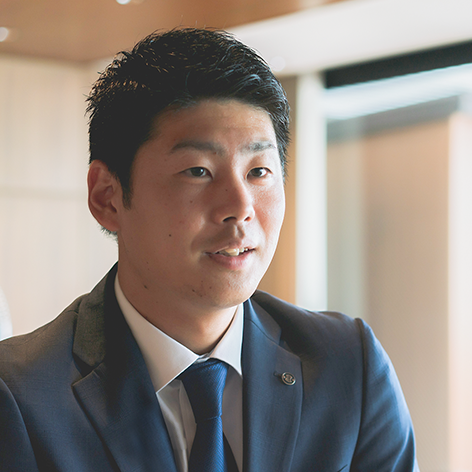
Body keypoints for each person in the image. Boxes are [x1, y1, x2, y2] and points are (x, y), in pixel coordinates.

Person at [0, 28, 419, 472]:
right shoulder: (20, 397)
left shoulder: (347, 367)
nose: (240, 207)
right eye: (198, 171)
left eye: (259, 172)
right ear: (107, 197)